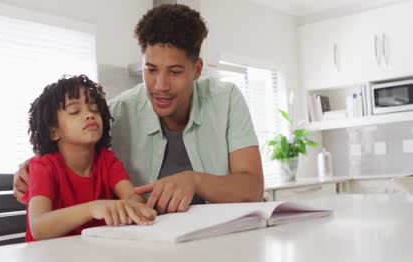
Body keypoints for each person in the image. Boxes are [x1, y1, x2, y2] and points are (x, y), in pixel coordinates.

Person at [14, 4, 264, 215]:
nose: (160, 86)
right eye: (151, 70)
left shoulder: (226, 100)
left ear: (197, 70)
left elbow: (252, 190)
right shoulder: (118, 111)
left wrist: (195, 180)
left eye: (175, 72)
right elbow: (72, 149)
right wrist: (32, 166)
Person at [22, 75, 156, 242]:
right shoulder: (43, 167)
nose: (89, 115)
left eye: (94, 109)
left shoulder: (107, 160)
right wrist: (93, 208)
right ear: (53, 131)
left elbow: (130, 196)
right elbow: (39, 227)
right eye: (74, 111)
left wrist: (135, 205)